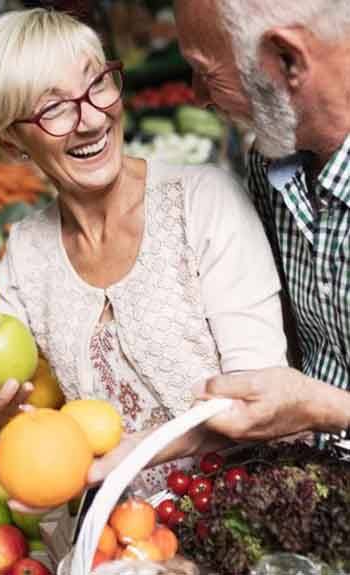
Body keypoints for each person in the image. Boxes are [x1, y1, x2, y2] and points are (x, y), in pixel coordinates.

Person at [0, 7, 287, 514]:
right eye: (54, 108)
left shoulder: (202, 203)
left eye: (97, 84)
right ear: (9, 139)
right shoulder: (27, 253)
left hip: (241, 512)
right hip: (115, 539)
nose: (92, 119)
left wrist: (142, 451)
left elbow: (262, 396)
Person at [173, 0, 350, 445]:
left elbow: (305, 399)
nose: (198, 95)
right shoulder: (270, 163)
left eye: (206, 70)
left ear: (287, 60)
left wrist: (321, 407)